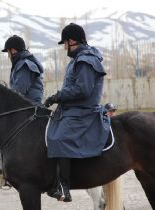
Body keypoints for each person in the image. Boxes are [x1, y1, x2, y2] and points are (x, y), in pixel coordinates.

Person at [44, 23, 110, 202]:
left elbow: (83, 89)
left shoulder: (85, 60)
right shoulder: (78, 59)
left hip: (83, 111)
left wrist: (58, 96)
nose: (65, 47)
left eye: (65, 43)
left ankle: (64, 187)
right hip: (73, 109)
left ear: (72, 41)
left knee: (58, 138)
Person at [1, 35, 44, 105]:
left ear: (13, 51)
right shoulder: (20, 64)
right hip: (25, 107)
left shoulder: (25, 65)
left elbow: (18, 91)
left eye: (8, 52)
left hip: (30, 109)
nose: (8, 56)